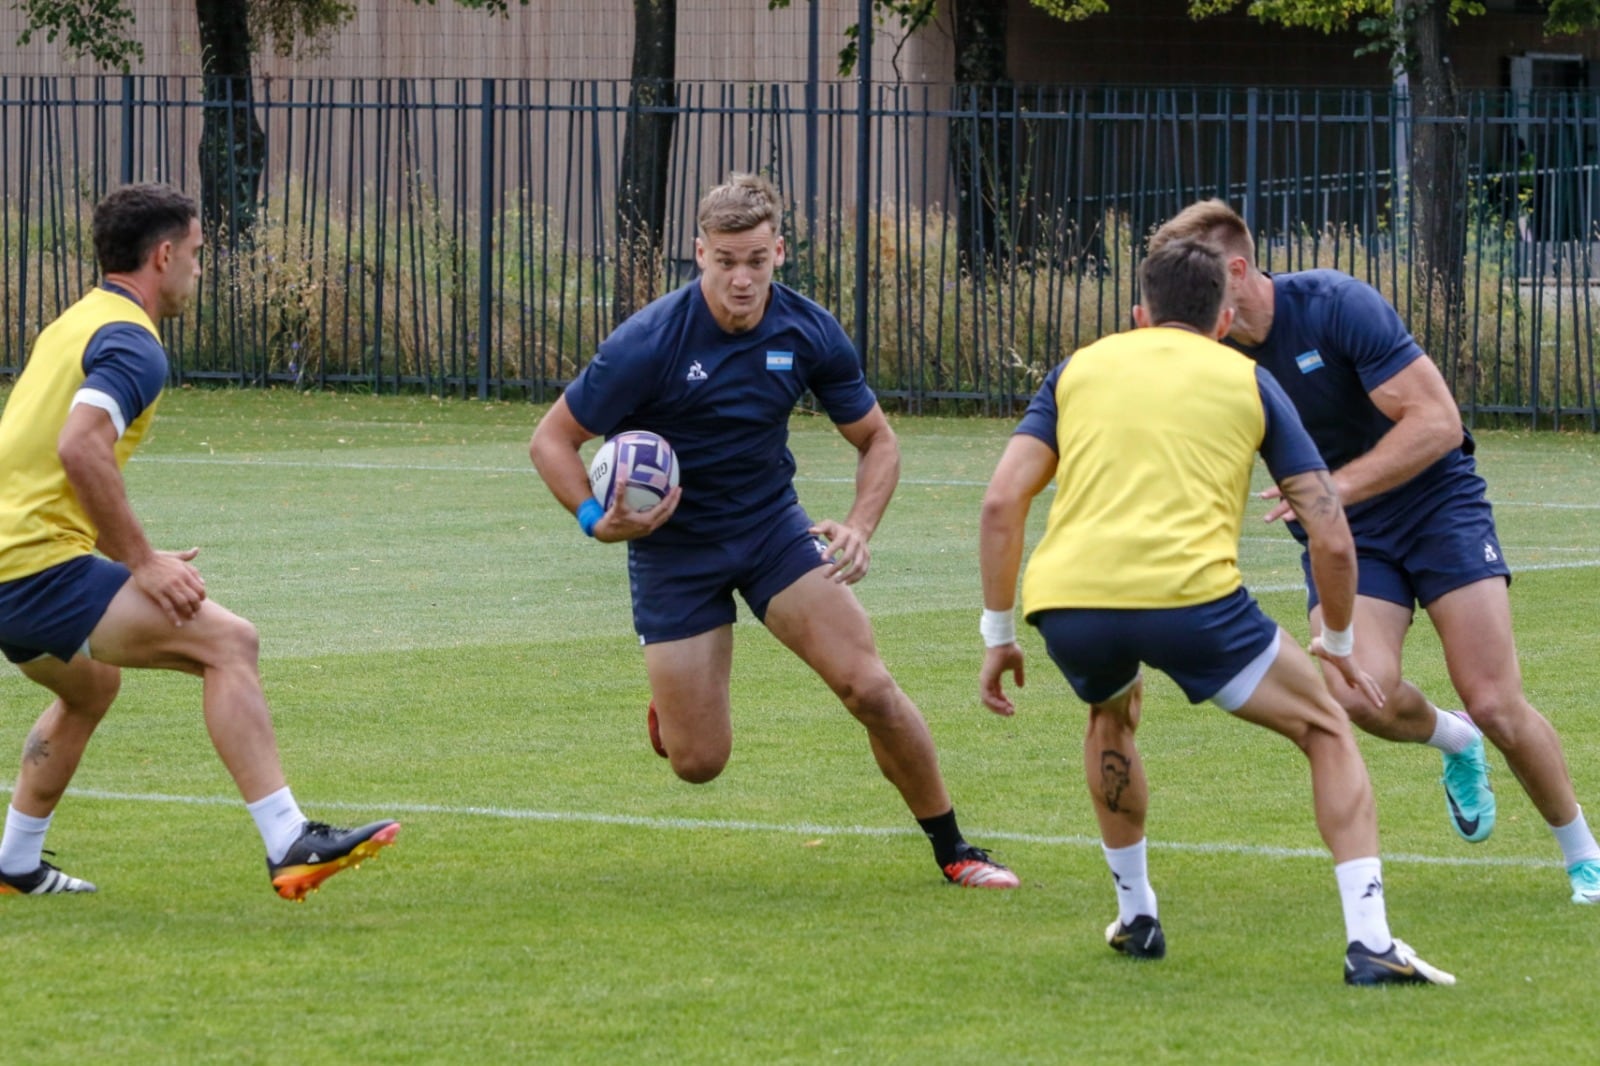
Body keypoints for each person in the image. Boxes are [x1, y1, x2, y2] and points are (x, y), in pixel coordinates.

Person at [978, 237, 1453, 984]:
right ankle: (1370, 941)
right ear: (1224, 321)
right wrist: (1334, 640)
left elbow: (1003, 501)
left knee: (1110, 717)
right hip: (1192, 601)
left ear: (1139, 316)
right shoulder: (1247, 379)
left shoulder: (1077, 369)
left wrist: (998, 634)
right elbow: (1328, 528)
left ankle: (1137, 916)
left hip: (1069, 603)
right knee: (1327, 726)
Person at [529, 172, 1018, 889]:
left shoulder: (808, 329)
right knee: (700, 763)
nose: (741, 280)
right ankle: (673, 710)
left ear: (779, 252)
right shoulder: (649, 340)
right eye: (725, 262)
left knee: (871, 689)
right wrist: (597, 520)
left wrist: (858, 525)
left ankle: (955, 848)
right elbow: (552, 439)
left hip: (770, 532)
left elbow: (878, 440)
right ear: (699, 254)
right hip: (673, 552)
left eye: (755, 261)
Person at [1149, 200, 1600, 905]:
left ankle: (1584, 857)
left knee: (1496, 700)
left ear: (1237, 271)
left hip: (1436, 507)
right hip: (1348, 541)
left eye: (1204, 287)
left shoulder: (1335, 305)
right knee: (1359, 693)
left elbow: (1439, 422)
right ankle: (1455, 742)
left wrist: (1333, 489)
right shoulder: (1211, 350)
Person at [0, 183, 398, 901]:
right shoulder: (134, 342)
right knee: (229, 643)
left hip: (18, 563)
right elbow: (79, 449)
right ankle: (289, 840)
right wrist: (139, 561)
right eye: (195, 253)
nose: (198, 269)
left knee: (90, 688)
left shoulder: (76, 322)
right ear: (162, 255)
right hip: (34, 568)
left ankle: (13, 864)